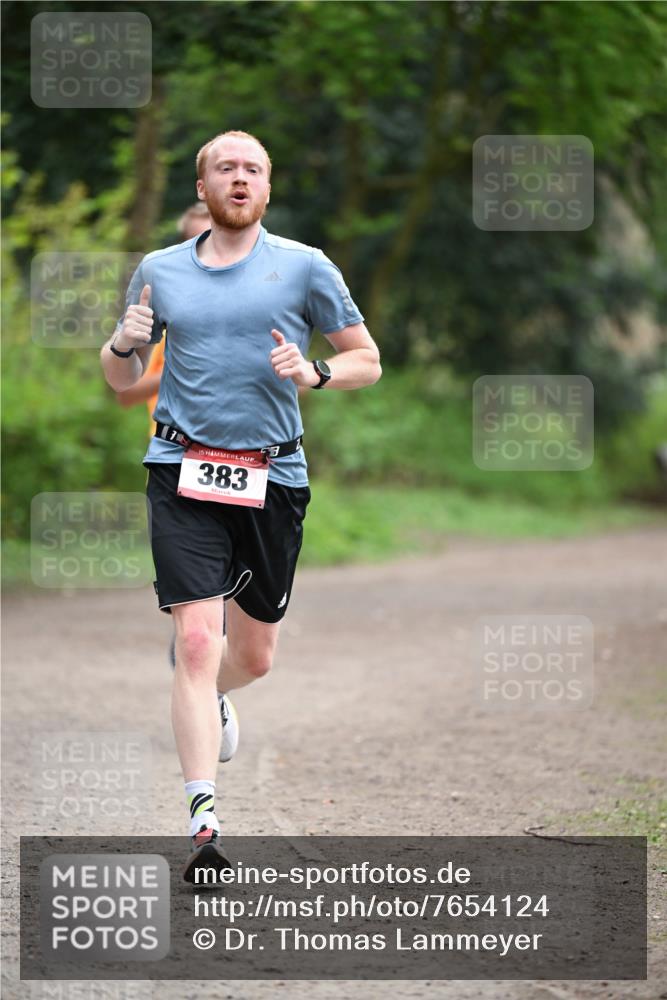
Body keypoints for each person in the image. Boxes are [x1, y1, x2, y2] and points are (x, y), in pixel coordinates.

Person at [100, 130, 381, 879]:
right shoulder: (160, 271)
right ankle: (204, 828)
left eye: (252, 168)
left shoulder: (305, 267)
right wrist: (123, 342)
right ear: (202, 188)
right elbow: (122, 380)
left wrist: (315, 372)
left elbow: (367, 359)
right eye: (224, 168)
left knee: (250, 658)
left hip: (272, 477)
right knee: (195, 642)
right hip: (181, 467)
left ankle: (218, 696)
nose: (238, 178)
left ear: (266, 187)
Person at [115, 203, 211, 433]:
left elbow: (298, 386)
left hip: (247, 452)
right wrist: (184, 370)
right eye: (202, 242)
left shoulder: (255, 307)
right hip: (173, 453)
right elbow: (126, 393)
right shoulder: (166, 312)